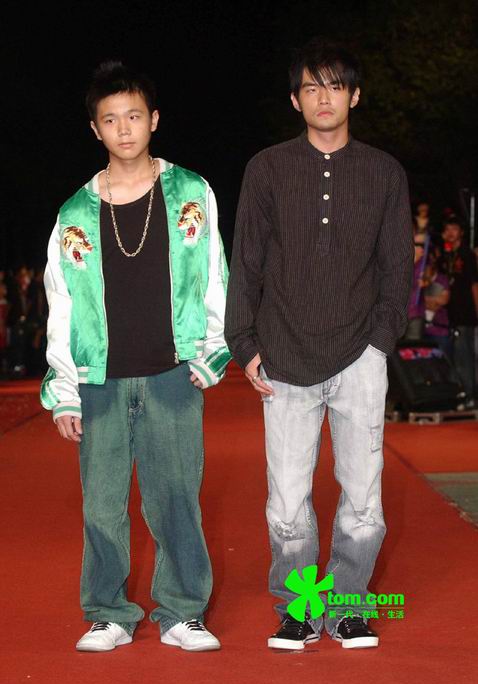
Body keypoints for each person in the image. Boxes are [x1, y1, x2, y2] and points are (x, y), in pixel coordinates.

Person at [225, 38, 413, 651]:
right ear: (295, 100)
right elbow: (247, 260)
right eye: (311, 87)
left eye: (335, 86)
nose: (323, 97)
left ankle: (350, 606)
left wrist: (380, 342)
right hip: (283, 353)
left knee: (363, 493)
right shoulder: (267, 168)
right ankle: (301, 608)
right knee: (287, 497)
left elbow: (397, 267)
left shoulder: (384, 173)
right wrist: (243, 341)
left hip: (361, 354)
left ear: (354, 96)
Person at [41, 61, 230, 653]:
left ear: (153, 120)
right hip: (99, 378)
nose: (123, 129)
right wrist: (64, 390)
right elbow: (61, 303)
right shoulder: (74, 213)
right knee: (102, 505)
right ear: (95, 129)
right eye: (110, 120)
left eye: (133, 116)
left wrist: (210, 352)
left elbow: (214, 275)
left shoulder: (191, 192)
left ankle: (183, 610)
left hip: (172, 371)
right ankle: (108, 612)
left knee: (176, 498)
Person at [441, 218, 478, 407]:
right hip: (448, 317)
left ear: (461, 232)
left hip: (466, 314)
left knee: (465, 357)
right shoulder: (445, 255)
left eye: (454, 228)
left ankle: (470, 396)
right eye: (447, 228)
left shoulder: (466, 254)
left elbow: (474, 284)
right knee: (453, 358)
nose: (450, 232)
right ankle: (458, 395)